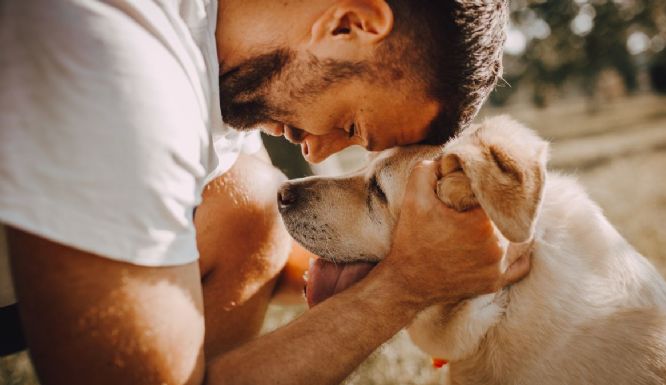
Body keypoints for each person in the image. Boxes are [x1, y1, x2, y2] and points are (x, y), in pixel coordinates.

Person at [0, 1, 528, 384]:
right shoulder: (121, 62)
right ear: (349, 24)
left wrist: (442, 259)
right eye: (349, 124)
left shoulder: (215, 52)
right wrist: (404, 287)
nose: (317, 154)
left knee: (249, 202)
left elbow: (265, 241)